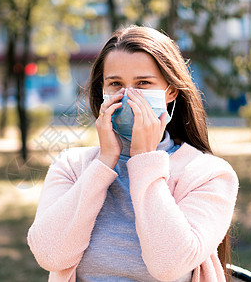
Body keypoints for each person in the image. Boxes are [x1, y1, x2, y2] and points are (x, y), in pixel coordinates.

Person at [27, 25, 239, 282]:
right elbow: (50, 256)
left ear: (171, 91)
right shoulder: (72, 166)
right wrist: (104, 162)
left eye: (143, 83)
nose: (128, 96)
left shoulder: (209, 174)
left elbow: (169, 265)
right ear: (102, 91)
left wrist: (144, 159)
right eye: (115, 84)